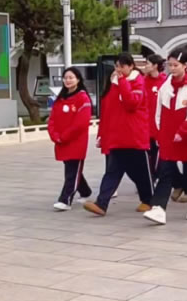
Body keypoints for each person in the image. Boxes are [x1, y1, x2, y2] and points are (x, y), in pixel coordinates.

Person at [143, 50, 187, 225]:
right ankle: (158, 207)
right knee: (165, 170)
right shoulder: (166, 85)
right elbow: (159, 111)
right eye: (170, 65)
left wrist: (183, 131)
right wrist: (159, 132)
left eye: (175, 65)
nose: (172, 68)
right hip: (169, 135)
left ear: (185, 66)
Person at [85, 54, 153, 216]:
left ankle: (149, 201)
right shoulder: (113, 84)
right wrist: (102, 135)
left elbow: (131, 103)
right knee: (112, 172)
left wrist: (122, 82)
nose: (118, 70)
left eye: (122, 66)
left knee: (141, 173)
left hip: (135, 137)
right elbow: (107, 112)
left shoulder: (138, 81)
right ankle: (101, 204)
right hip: (117, 138)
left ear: (131, 66)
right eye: (117, 66)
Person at [48, 67, 93, 211]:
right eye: (65, 78)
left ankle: (65, 200)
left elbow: (80, 123)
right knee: (72, 169)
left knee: (71, 171)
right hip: (61, 141)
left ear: (78, 79)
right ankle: (85, 191)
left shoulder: (83, 98)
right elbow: (52, 119)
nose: (68, 80)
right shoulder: (60, 98)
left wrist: (64, 136)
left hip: (75, 141)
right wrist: (55, 135)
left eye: (71, 77)